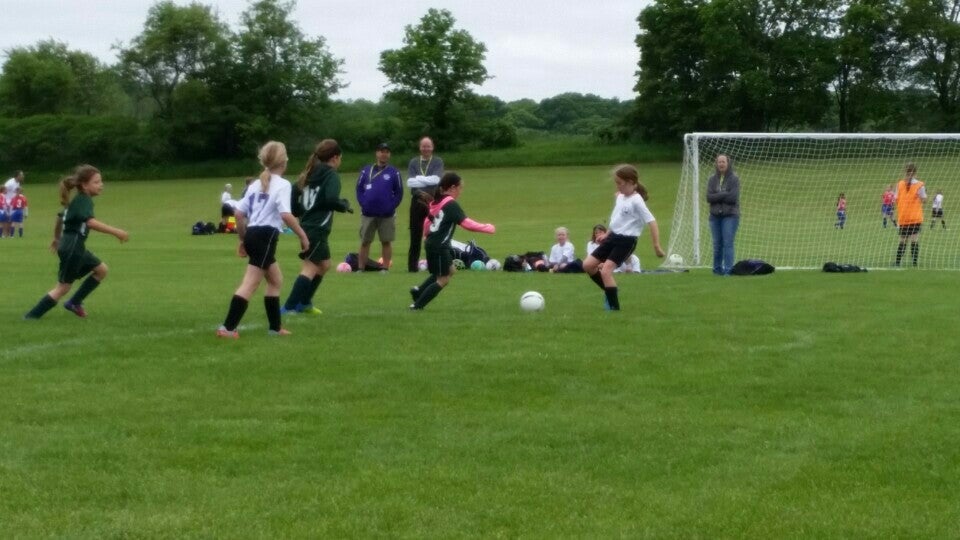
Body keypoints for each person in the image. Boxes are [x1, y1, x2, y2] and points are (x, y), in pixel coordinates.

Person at [217, 141, 309, 338]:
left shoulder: (255, 185)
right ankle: (227, 328)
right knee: (250, 283)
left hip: (253, 234)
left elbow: (239, 214)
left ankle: (275, 329)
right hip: (266, 236)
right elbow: (285, 214)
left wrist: (242, 239)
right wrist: (302, 236)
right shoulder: (283, 184)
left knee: (276, 280)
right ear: (284, 162)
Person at [24, 165, 129, 319]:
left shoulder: (78, 200)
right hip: (73, 247)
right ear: (84, 185)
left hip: (73, 246)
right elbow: (90, 223)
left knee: (101, 270)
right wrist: (117, 232)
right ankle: (31, 317)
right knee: (63, 287)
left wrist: (57, 238)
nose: (101, 185)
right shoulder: (83, 199)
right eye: (96, 182)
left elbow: (60, 218)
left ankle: (74, 302)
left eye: (101, 181)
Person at [281, 139, 352, 315]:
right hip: (317, 228)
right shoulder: (331, 175)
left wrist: (299, 210)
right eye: (340, 157)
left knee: (325, 264)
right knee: (310, 267)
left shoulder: (310, 172)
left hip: (307, 225)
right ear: (335, 157)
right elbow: (330, 199)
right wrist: (343, 204)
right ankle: (289, 307)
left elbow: (293, 191)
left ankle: (305, 302)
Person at [582, 164, 664, 311]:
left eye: (620, 183)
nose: (617, 186)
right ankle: (611, 290)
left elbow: (652, 222)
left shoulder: (637, 201)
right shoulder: (620, 196)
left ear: (631, 183)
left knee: (606, 271)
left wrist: (656, 246)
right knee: (588, 265)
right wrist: (606, 234)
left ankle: (614, 309)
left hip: (626, 241)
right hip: (612, 237)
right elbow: (617, 219)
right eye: (616, 183)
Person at [409, 172, 495, 310]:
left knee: (451, 270)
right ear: (453, 187)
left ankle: (418, 291)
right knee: (443, 279)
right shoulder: (450, 203)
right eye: (460, 188)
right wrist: (487, 228)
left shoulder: (438, 201)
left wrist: (427, 235)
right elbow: (467, 224)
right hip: (439, 247)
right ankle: (417, 305)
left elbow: (427, 222)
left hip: (432, 244)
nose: (461, 191)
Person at [356, 142, 403, 270]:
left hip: (387, 214)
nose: (384, 154)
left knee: (386, 241)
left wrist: (391, 206)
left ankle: (385, 268)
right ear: (377, 153)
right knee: (365, 241)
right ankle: (361, 268)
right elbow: (359, 189)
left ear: (389, 154)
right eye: (382, 151)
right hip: (368, 213)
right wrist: (363, 203)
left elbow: (399, 192)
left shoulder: (394, 172)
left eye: (387, 152)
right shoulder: (366, 170)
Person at [407, 137, 444, 272]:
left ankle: (435, 265)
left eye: (428, 146)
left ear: (432, 147)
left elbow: (436, 179)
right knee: (415, 235)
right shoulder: (413, 162)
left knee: (435, 234)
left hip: (433, 203)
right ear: (420, 147)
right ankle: (412, 267)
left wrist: (418, 179)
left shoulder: (437, 161)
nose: (426, 149)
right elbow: (410, 183)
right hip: (417, 201)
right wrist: (423, 188)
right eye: (423, 146)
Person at [705, 154, 740, 275]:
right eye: (719, 162)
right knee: (717, 244)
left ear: (728, 163)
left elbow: (733, 198)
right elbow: (709, 197)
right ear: (716, 163)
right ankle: (717, 270)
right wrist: (724, 194)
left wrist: (718, 196)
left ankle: (728, 270)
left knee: (727, 243)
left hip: (730, 216)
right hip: (714, 217)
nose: (721, 164)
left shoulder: (734, 179)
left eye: (723, 162)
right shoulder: (712, 179)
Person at [894, 162, 926, 267]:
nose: (910, 174)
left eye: (910, 172)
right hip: (907, 217)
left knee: (908, 240)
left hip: (911, 217)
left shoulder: (918, 184)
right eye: (909, 172)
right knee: (908, 240)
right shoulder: (901, 184)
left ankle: (905, 263)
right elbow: (896, 198)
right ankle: (908, 263)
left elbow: (924, 199)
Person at [2, 171, 22, 238]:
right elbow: (3, 190)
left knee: (11, 219)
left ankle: (8, 233)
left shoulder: (18, 183)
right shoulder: (10, 183)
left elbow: (16, 192)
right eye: (21, 175)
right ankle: (5, 234)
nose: (22, 176)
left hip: (13, 203)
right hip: (7, 203)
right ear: (17, 176)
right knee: (6, 219)